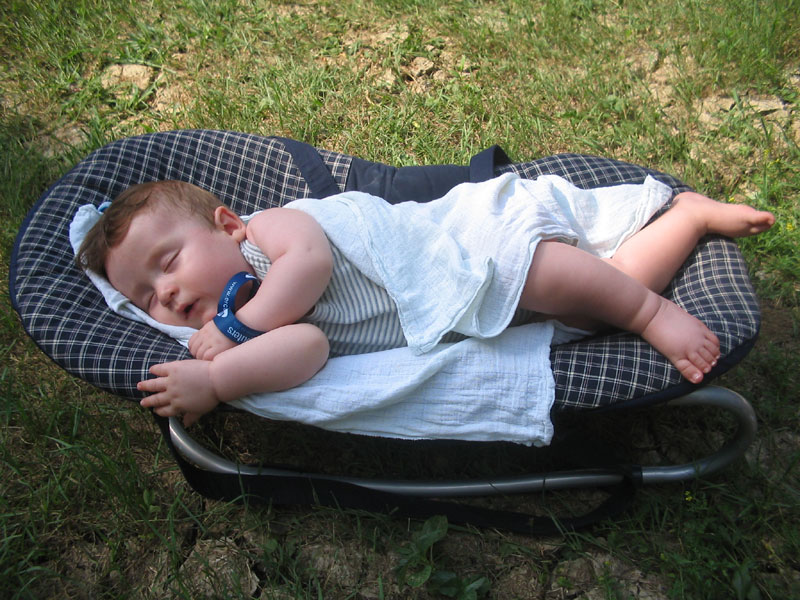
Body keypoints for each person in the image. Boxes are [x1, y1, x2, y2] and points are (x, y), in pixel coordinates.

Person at [76, 178, 774, 426]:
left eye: (168, 263)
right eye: (147, 298)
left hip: (465, 255)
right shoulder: (237, 337)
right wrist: (221, 378)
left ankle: (652, 315)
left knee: (546, 276)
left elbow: (311, 265)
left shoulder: (270, 234)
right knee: (594, 303)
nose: (167, 294)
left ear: (228, 225)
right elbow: (308, 349)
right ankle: (687, 218)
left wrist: (240, 324)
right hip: (473, 314)